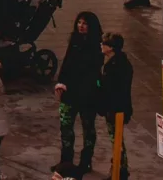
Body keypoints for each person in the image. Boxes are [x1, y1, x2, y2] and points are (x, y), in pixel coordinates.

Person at [52, 12, 102, 177]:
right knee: (66, 128)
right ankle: (65, 162)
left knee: (88, 128)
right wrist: (60, 82)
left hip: (87, 96)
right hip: (69, 94)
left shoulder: (96, 46)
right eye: (79, 22)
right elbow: (67, 63)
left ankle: (85, 162)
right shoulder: (74, 41)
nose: (81, 26)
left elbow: (90, 71)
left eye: (85, 23)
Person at [95, 33, 134, 180]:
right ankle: (119, 168)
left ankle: (120, 169)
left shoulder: (115, 66)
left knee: (116, 140)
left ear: (111, 48)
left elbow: (111, 90)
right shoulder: (118, 63)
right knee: (117, 140)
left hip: (115, 110)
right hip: (116, 108)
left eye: (103, 44)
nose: (101, 45)